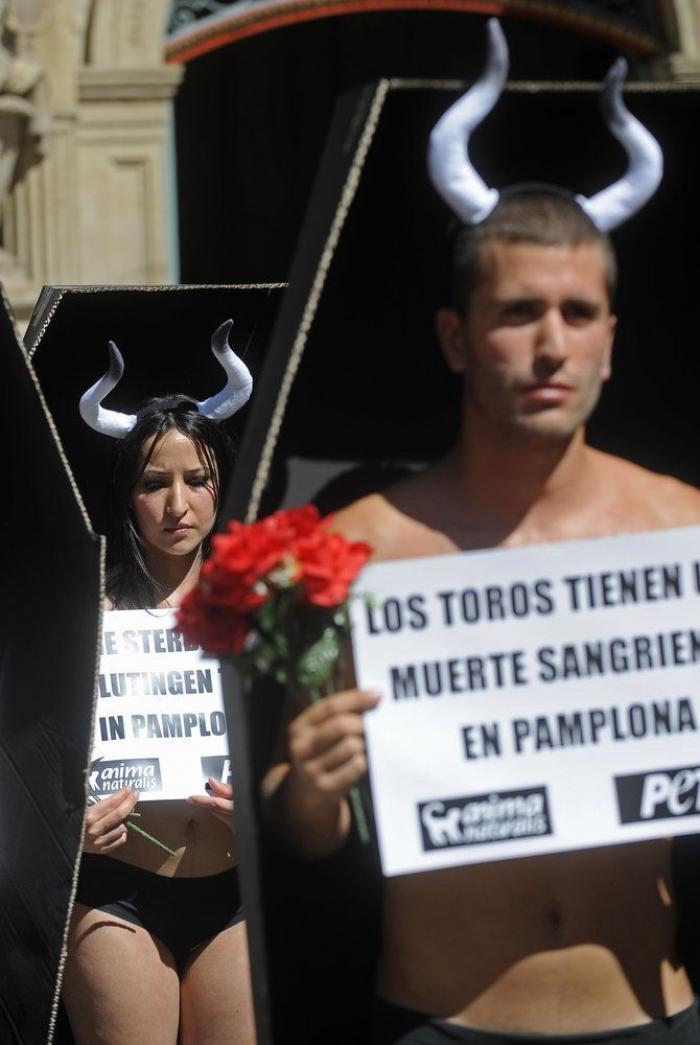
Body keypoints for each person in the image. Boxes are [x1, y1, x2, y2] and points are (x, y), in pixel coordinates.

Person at [264, 23, 700, 1045]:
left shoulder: (684, 532)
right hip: (438, 1018)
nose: (549, 344)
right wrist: (313, 786)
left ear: (609, 342)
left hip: (654, 1015)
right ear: (456, 337)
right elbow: (300, 821)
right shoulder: (353, 547)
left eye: (576, 312)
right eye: (515, 312)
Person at [62, 321, 257, 1045]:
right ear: (128, 495)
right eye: (154, 483)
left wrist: (266, 815)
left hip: (235, 892)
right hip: (116, 893)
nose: (178, 504)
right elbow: (28, 756)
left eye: (196, 479)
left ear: (218, 485)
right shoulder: (86, 617)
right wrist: (67, 832)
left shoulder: (263, 613)